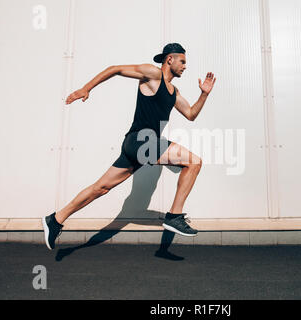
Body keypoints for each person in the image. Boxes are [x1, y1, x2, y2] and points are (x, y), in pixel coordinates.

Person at [42, 43, 216, 250]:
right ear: (170, 59)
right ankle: (174, 216)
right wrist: (85, 88)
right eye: (183, 61)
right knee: (194, 162)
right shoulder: (152, 74)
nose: (185, 66)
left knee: (101, 188)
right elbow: (114, 69)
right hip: (140, 141)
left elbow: (191, 114)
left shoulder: (173, 92)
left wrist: (204, 94)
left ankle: (55, 219)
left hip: (139, 146)